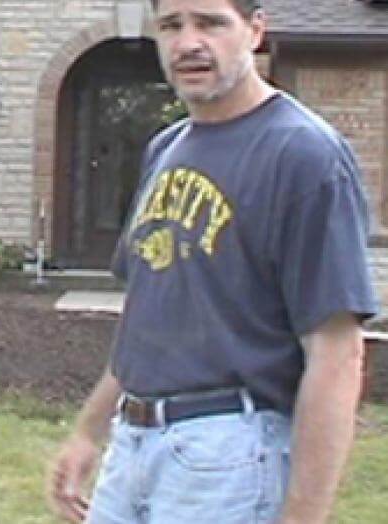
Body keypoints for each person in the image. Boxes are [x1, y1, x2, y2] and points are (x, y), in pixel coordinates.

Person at [49, 1, 379, 523]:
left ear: (255, 30)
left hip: (230, 453)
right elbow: (147, 317)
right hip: (133, 442)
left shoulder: (304, 154)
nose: (188, 43)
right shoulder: (166, 149)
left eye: (210, 23)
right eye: (171, 26)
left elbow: (337, 353)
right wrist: (90, 431)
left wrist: (302, 517)